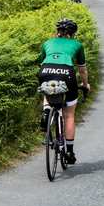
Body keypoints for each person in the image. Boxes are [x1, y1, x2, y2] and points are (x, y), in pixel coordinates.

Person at [38, 18, 90, 164]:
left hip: (46, 70)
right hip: (66, 73)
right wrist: (85, 85)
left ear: (58, 31)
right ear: (73, 33)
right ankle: (69, 152)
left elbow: (40, 62)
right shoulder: (77, 45)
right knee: (69, 115)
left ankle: (46, 111)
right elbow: (82, 69)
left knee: (47, 89)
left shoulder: (47, 43)